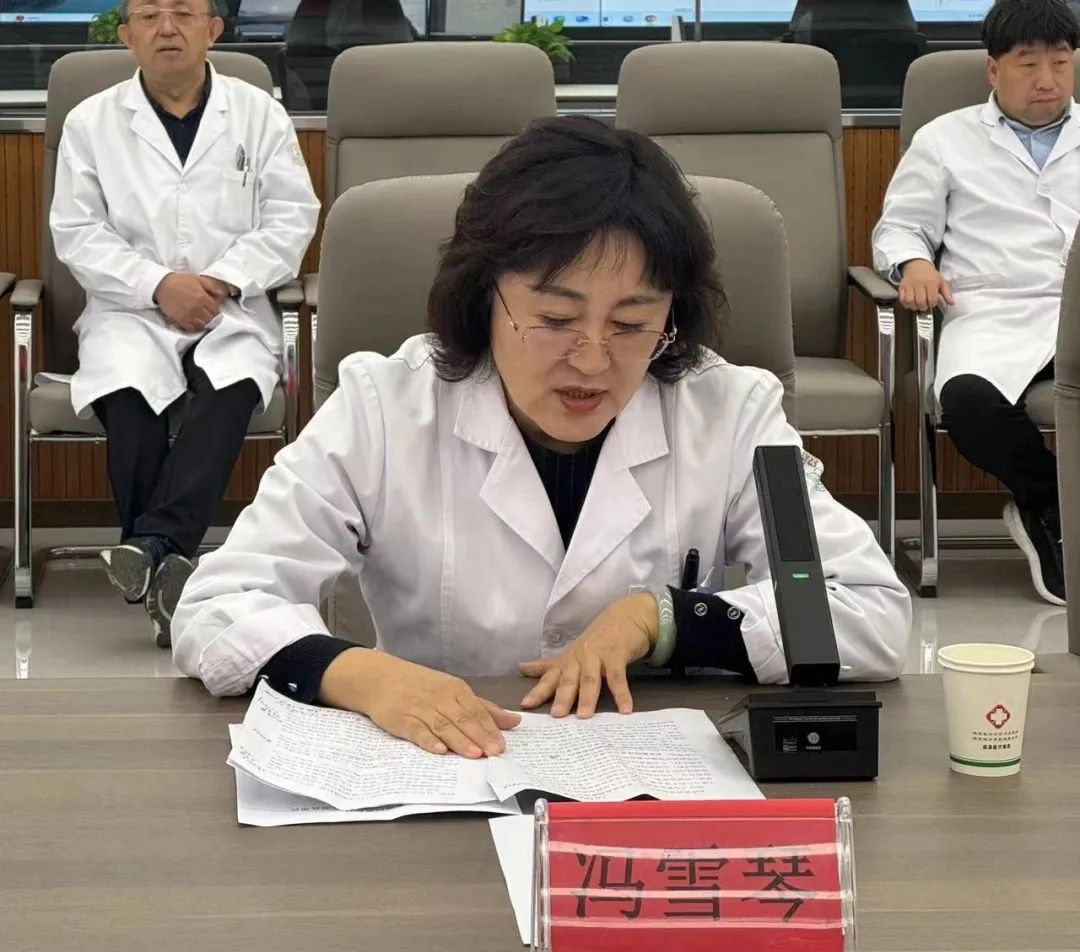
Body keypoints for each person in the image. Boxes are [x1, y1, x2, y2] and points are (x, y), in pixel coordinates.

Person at [173, 117, 911, 759]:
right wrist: (360, 675)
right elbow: (219, 602)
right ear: (482, 294)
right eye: (555, 320)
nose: (592, 360)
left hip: (646, 782)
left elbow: (869, 611)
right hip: (440, 775)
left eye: (632, 324)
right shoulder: (383, 407)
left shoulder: (732, 412)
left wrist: (667, 621)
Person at [50, 0, 320, 647]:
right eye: (148, 15)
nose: (166, 27)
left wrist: (219, 281)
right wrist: (158, 285)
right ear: (126, 35)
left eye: (183, 12)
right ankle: (167, 564)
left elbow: (291, 218)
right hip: (129, 308)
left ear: (213, 30)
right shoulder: (91, 122)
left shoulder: (258, 114)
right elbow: (77, 231)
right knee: (128, 392)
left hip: (229, 305)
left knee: (230, 384)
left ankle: (152, 546)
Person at [873, 0, 1079, 606]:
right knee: (965, 401)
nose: (1048, 80)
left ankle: (1055, 513)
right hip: (991, 310)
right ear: (994, 69)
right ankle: (1050, 505)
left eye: (1062, 63)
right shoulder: (945, 139)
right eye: (1029, 65)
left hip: (1075, 306)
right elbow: (900, 227)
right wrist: (915, 264)